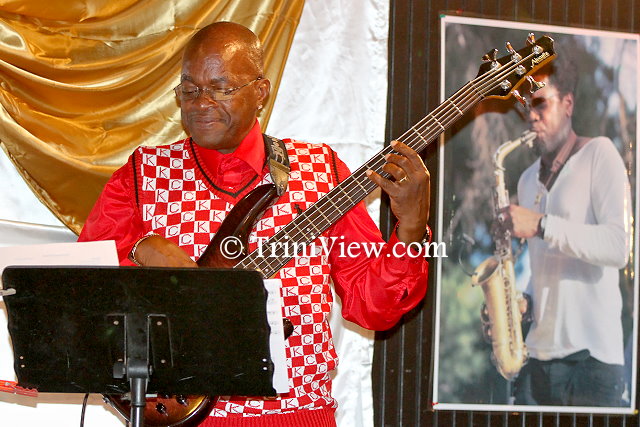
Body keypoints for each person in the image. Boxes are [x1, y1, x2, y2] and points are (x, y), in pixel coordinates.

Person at [78, 21, 431, 425]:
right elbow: (82, 291)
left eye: (221, 88)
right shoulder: (144, 174)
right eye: (189, 90)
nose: (201, 103)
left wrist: (410, 229)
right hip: (175, 413)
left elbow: (373, 308)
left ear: (260, 92)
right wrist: (141, 251)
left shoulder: (320, 171)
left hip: (296, 416)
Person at [504, 57, 631, 407]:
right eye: (526, 107)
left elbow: (618, 247)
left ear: (568, 104)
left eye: (540, 103)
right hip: (536, 362)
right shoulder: (526, 179)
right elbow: (545, 268)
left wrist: (542, 225)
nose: (531, 115)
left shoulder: (600, 153)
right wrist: (521, 304)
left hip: (592, 361)